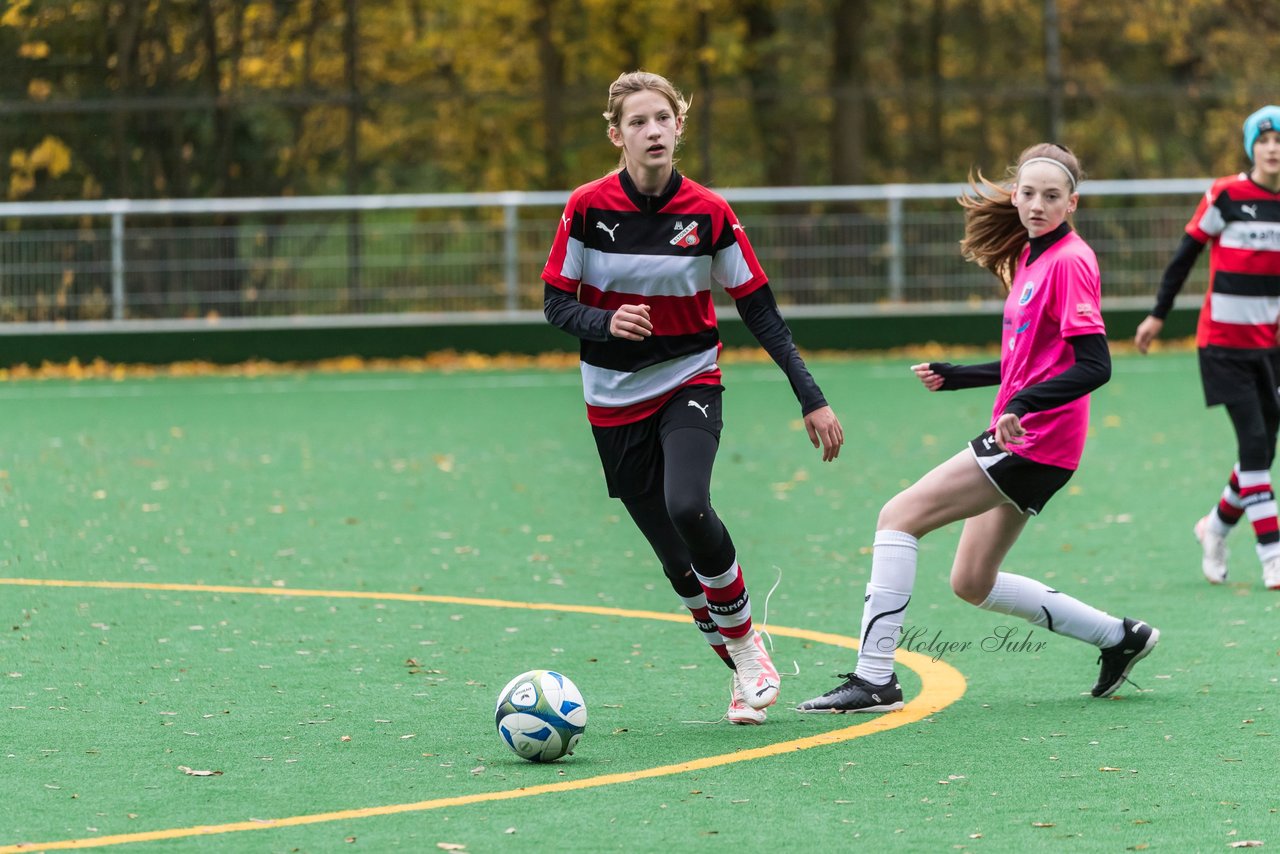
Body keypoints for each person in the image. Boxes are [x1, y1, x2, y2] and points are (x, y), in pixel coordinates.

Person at [797, 143, 1159, 713]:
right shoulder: (1032, 258)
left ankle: (874, 678)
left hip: (1034, 441)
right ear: (1015, 195)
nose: (1038, 204)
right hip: (1037, 439)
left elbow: (1095, 365)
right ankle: (1120, 637)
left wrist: (1027, 403)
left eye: (1052, 196)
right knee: (972, 580)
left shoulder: (1069, 261)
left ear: (1073, 203)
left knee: (897, 518)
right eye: (1029, 193)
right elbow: (1032, 360)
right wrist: (961, 376)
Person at [542, 71, 845, 725]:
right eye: (637, 122)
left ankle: (747, 652)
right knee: (680, 568)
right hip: (611, 400)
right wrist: (605, 323)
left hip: (689, 381)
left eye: (662, 119)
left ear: (679, 126)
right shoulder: (587, 208)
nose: (652, 130)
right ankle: (744, 673)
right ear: (617, 135)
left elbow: (761, 311)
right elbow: (554, 303)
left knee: (688, 505)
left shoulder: (709, 212)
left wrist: (810, 397)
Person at [1134, 105, 1280, 591]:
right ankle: (1272, 555)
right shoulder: (1226, 194)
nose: (1273, 148)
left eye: (1279, 140)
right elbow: (1184, 256)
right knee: (1254, 444)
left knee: (1260, 454)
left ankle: (1214, 528)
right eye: (1264, 140)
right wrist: (1158, 312)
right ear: (1250, 147)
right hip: (1222, 345)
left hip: (1272, 347)